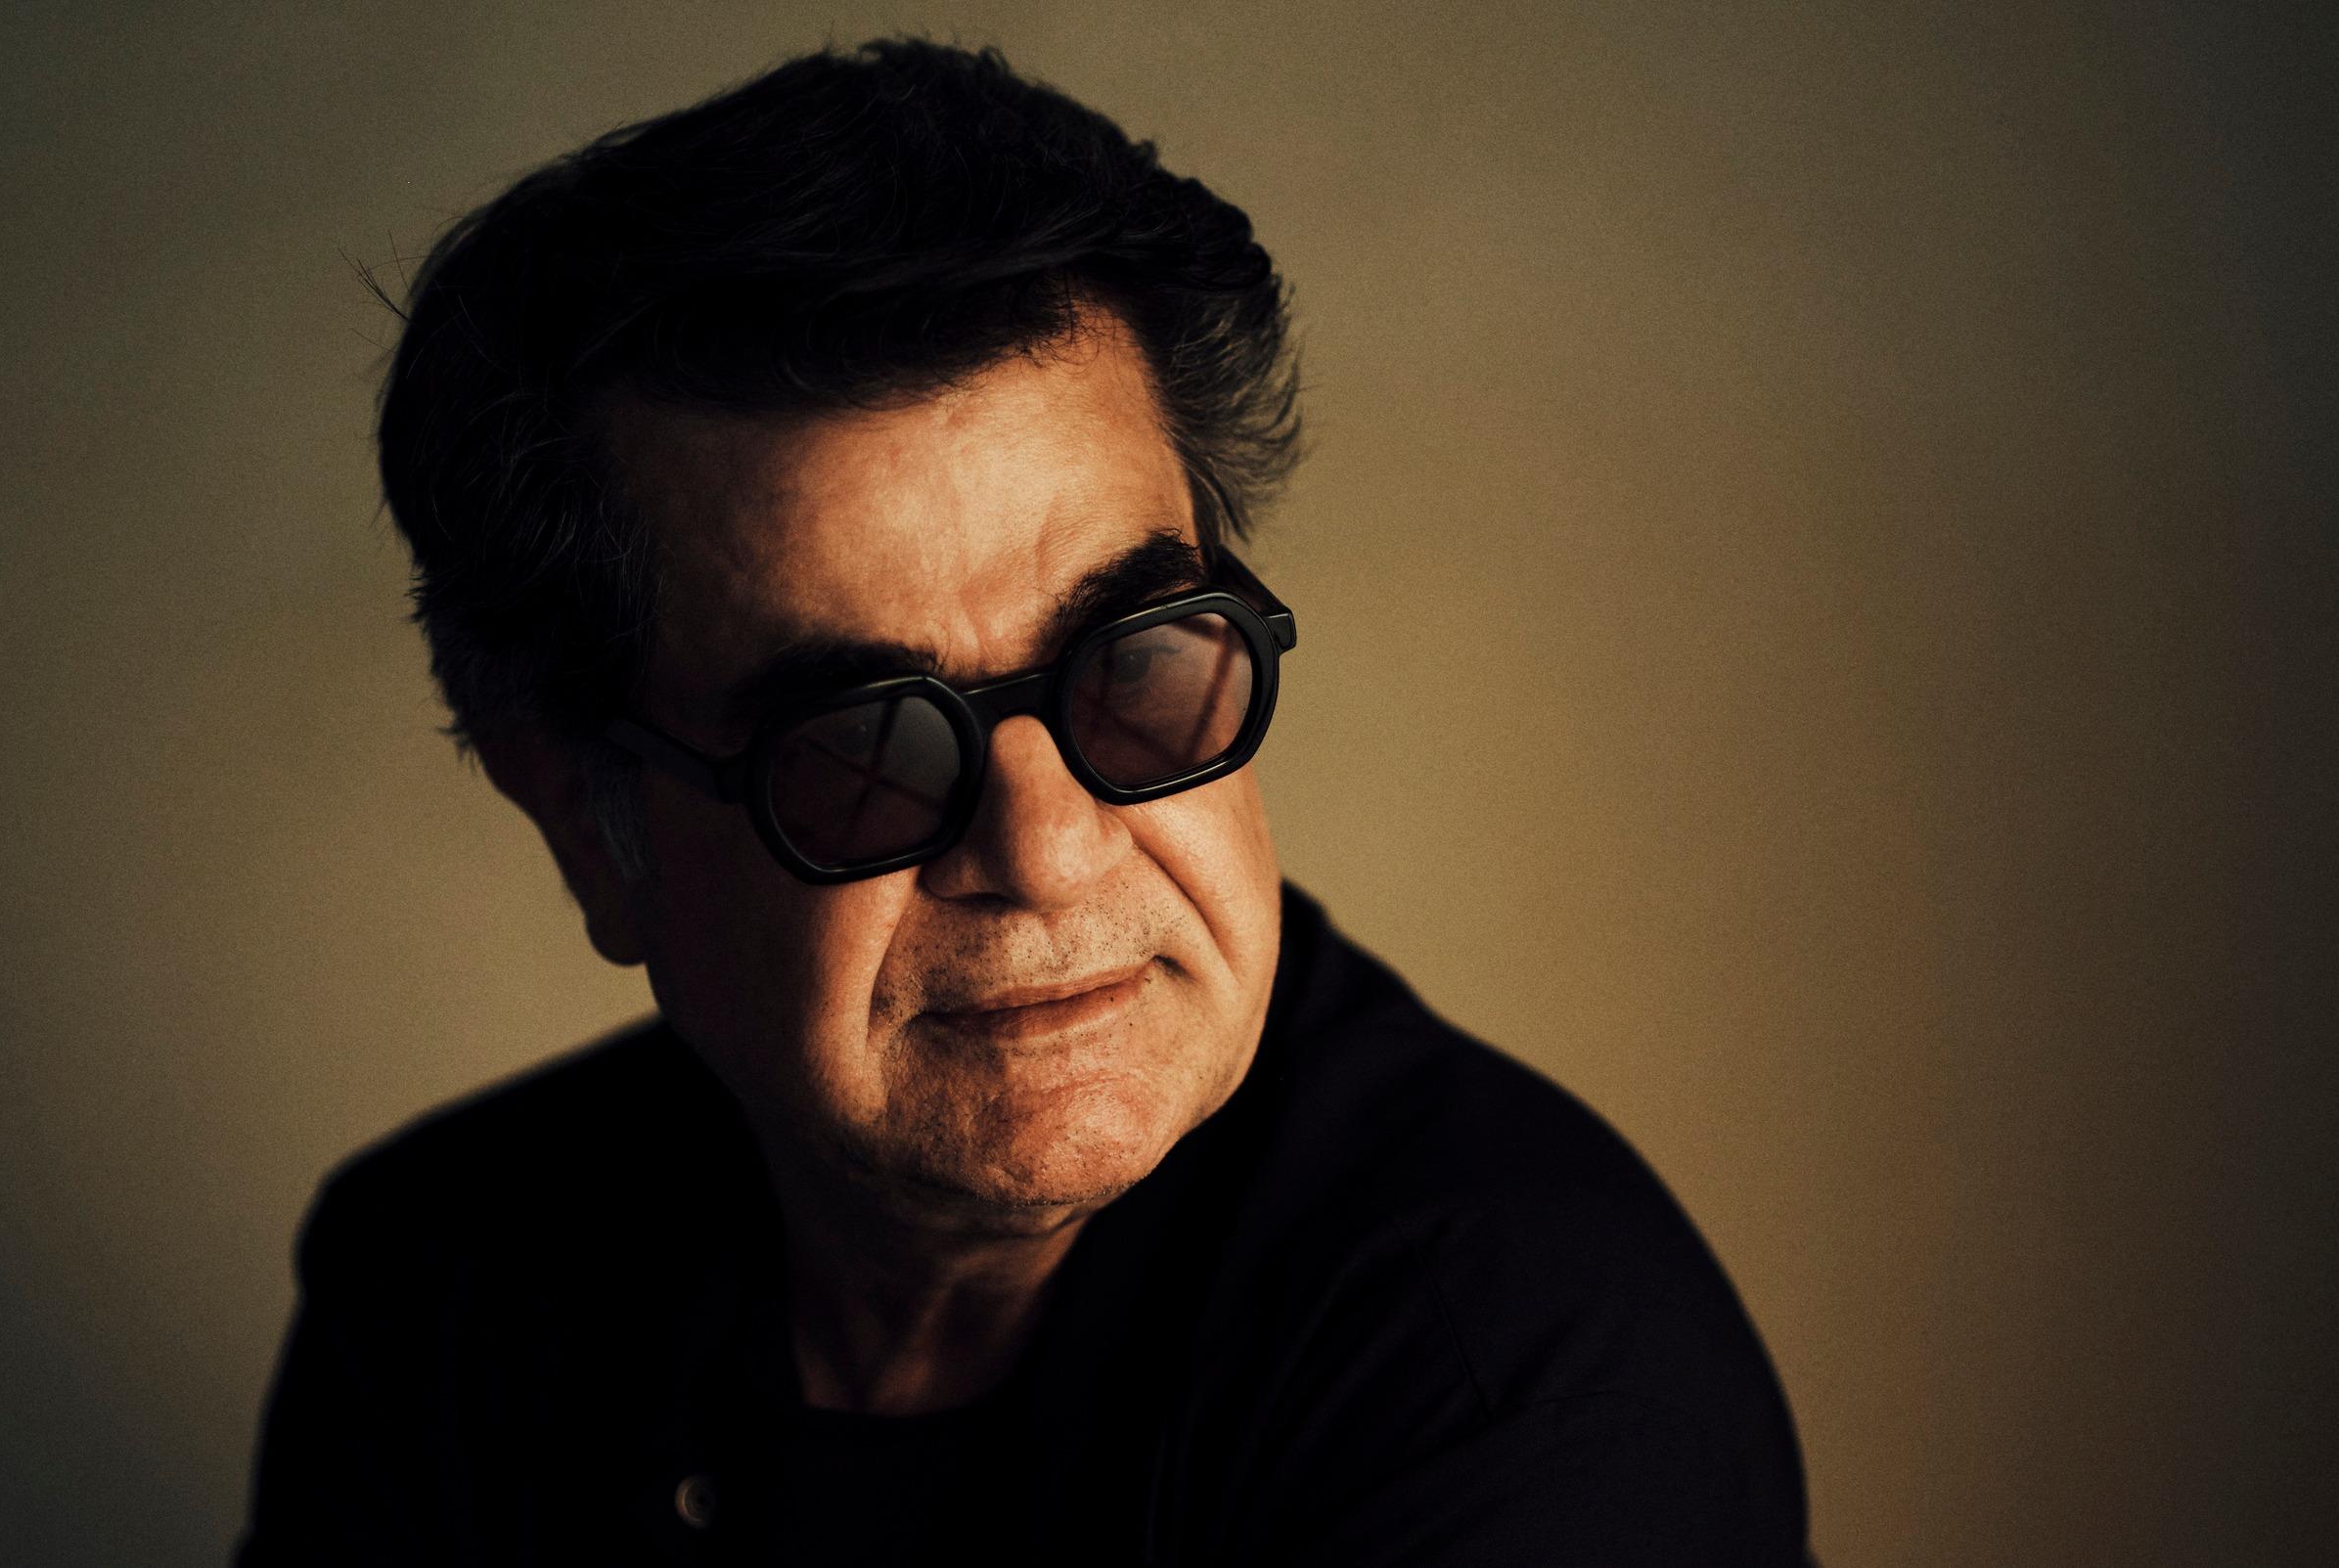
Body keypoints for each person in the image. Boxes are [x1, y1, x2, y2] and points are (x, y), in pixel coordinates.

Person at [240, 38, 1808, 1566]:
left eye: (1136, 664)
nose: (1049, 848)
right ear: (592, 826)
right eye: (862, 748)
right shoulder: (439, 1283)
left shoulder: (1518, 1381)